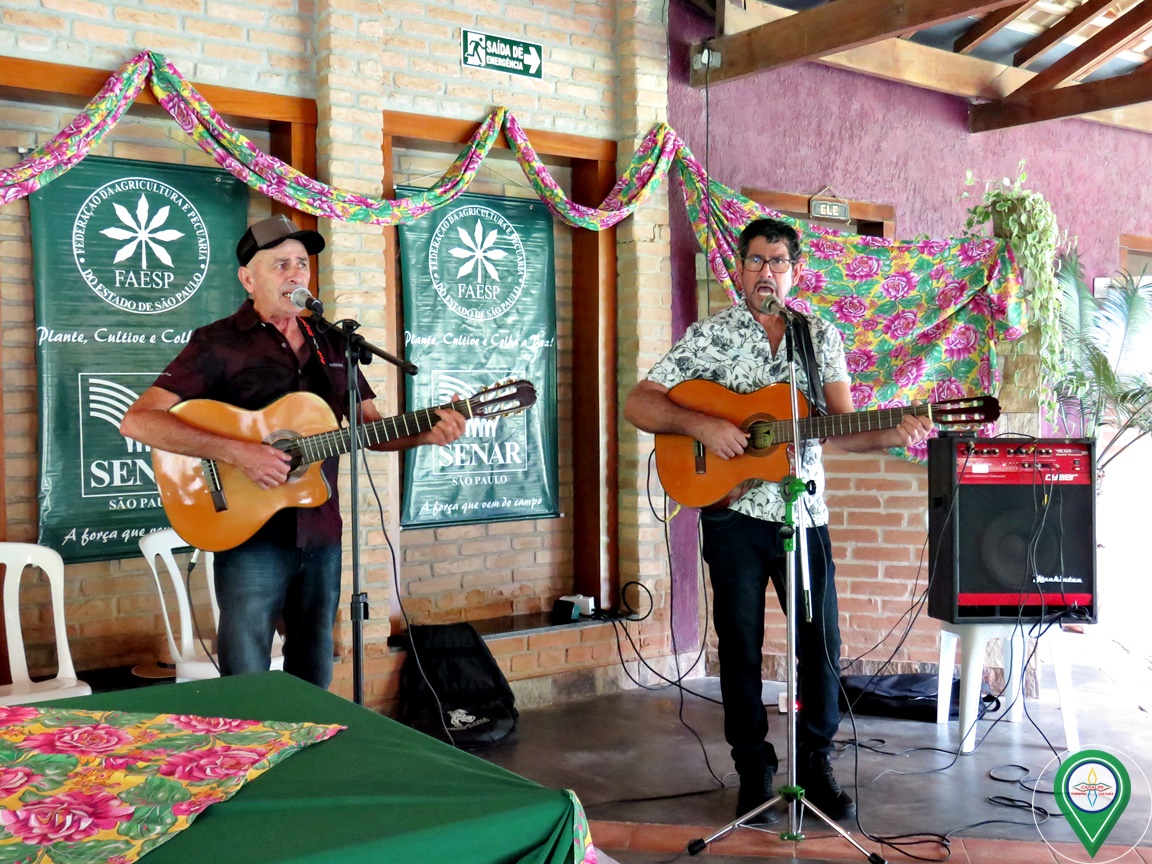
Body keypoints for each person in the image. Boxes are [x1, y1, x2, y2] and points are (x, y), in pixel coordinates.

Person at [623, 218, 932, 821]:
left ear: (795, 271)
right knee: (740, 646)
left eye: (779, 262)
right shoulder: (710, 336)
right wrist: (703, 425)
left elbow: (842, 427)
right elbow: (640, 402)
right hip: (733, 516)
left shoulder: (818, 337)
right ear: (739, 269)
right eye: (756, 261)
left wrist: (893, 433)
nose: (767, 272)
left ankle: (814, 763)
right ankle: (754, 771)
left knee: (821, 646)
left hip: (803, 513)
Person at [121, 214, 465, 690]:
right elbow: (139, 420)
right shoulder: (217, 342)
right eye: (280, 264)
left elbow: (369, 429)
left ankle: (314, 738)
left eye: (301, 263)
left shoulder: (334, 343)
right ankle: (250, 739)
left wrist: (425, 433)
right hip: (248, 532)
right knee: (246, 673)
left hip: (320, 527)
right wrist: (240, 453)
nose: (295, 273)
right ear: (248, 278)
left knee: (314, 664)